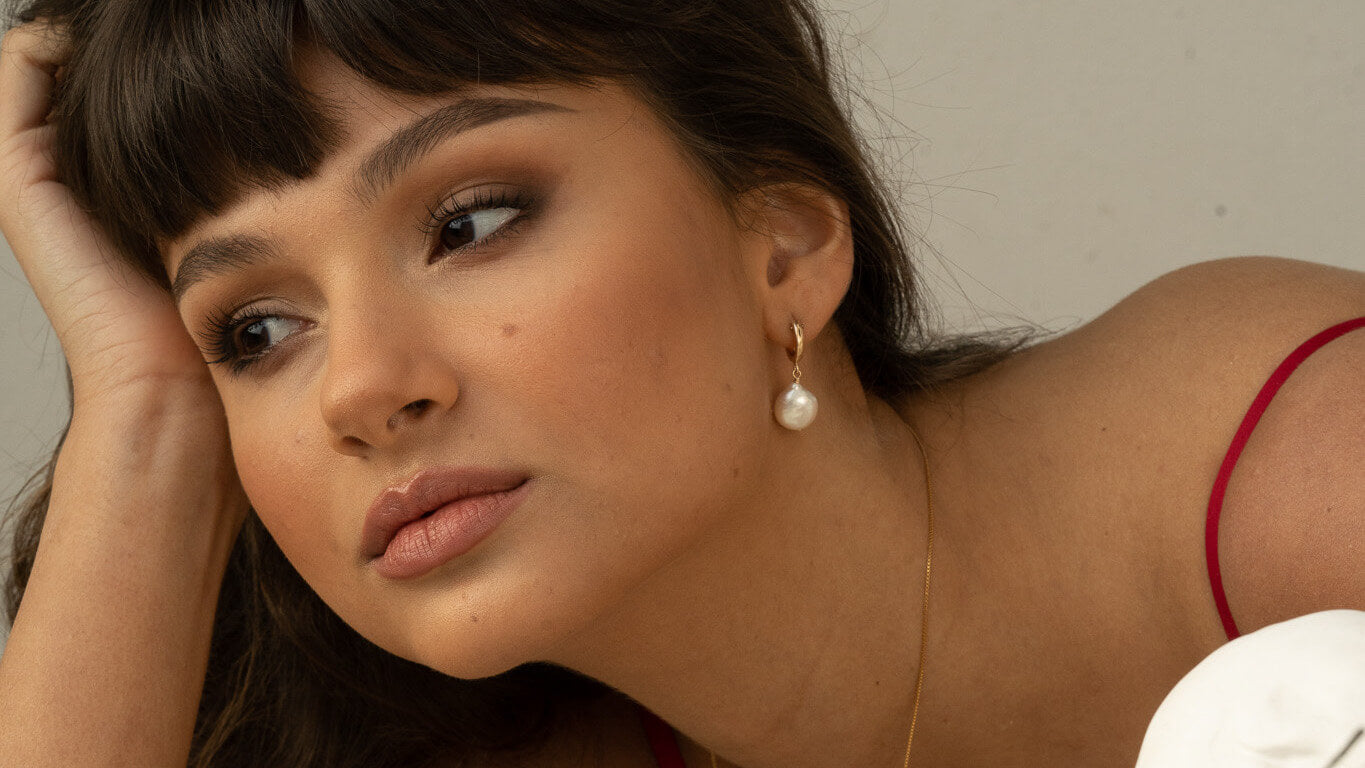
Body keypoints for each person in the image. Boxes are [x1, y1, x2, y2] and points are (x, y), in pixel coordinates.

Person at [0, 1, 1360, 767]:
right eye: (253, 332)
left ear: (781, 247)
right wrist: (146, 418)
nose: (362, 389)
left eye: (467, 222)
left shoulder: (1281, 467)